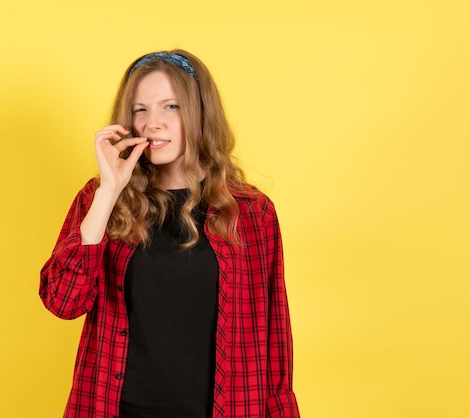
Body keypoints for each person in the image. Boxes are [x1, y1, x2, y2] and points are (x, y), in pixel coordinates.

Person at [40, 49, 299, 418]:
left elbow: (274, 342)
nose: (152, 123)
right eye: (140, 109)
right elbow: (63, 302)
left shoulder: (252, 213)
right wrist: (109, 191)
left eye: (170, 107)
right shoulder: (101, 200)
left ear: (200, 113)